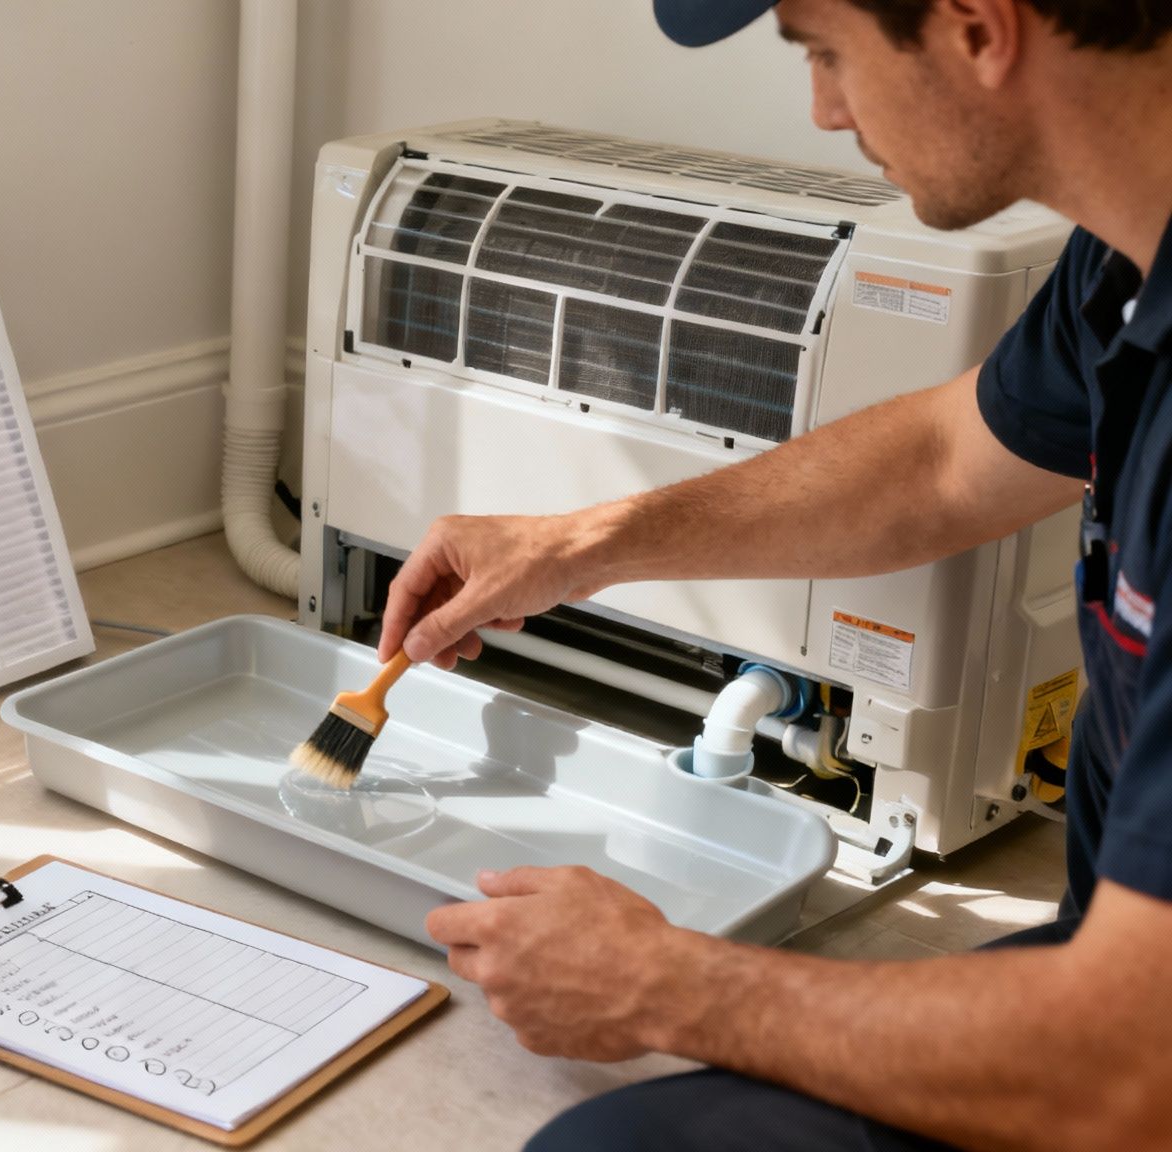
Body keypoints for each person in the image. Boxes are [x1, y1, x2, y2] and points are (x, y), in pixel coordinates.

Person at [373, 0, 1172, 1147]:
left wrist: (665, 985)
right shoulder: (1125, 255)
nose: (822, 107)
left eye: (822, 48)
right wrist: (575, 545)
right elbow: (946, 461)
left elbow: (1126, 1072)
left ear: (975, 27)